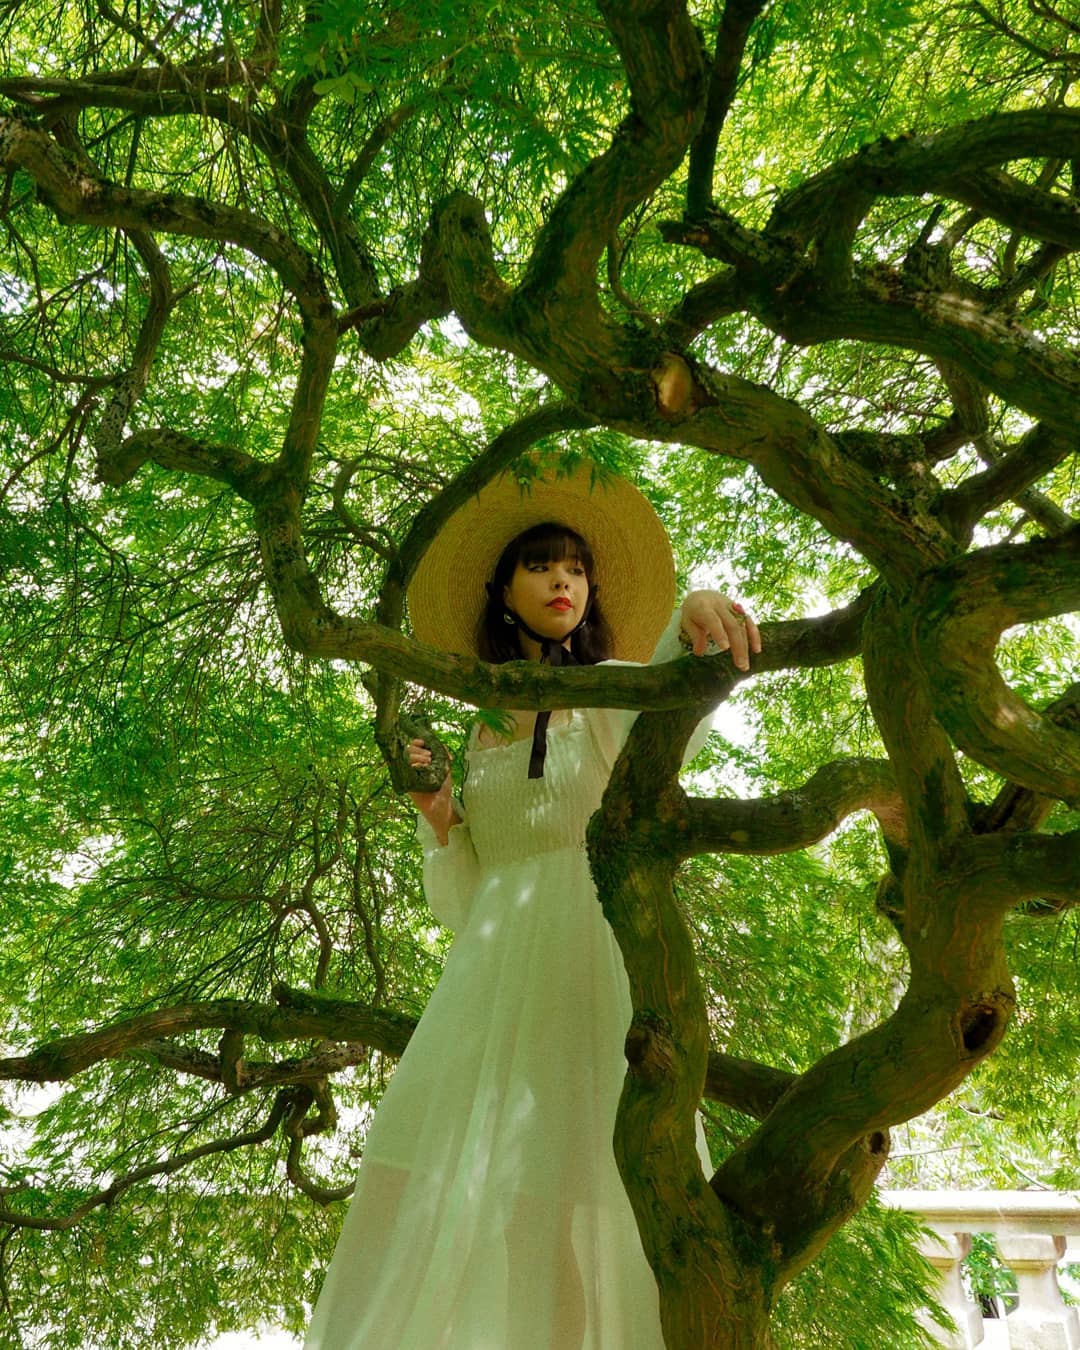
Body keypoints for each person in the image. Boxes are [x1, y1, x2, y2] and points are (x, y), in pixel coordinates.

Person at [304, 460, 761, 1350]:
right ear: (501, 589)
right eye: (542, 565)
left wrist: (700, 602)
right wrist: (442, 821)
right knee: (499, 1202)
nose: (564, 581)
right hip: (492, 979)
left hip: (591, 964)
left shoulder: (608, 691)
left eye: (577, 569)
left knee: (607, 1195)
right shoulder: (478, 725)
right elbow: (470, 904)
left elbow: (678, 695)